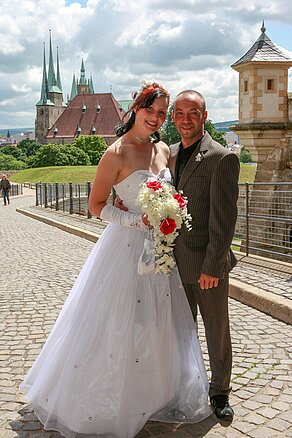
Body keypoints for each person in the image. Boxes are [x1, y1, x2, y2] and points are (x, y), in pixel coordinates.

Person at [20, 83, 212, 438]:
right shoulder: (116, 153)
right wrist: (133, 219)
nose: (155, 119)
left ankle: (155, 393)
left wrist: (170, 213)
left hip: (159, 250)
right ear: (136, 109)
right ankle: (110, 398)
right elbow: (96, 206)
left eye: (160, 114)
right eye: (149, 111)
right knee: (114, 321)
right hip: (124, 248)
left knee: (158, 323)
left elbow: (168, 192)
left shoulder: (163, 149)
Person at [168, 90, 240, 425]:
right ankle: (186, 386)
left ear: (204, 116)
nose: (186, 119)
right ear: (173, 118)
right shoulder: (167, 155)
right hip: (172, 264)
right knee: (181, 329)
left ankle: (220, 391)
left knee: (216, 329)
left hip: (206, 265)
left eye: (192, 113)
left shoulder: (221, 157)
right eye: (180, 113)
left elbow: (224, 220)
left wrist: (213, 265)